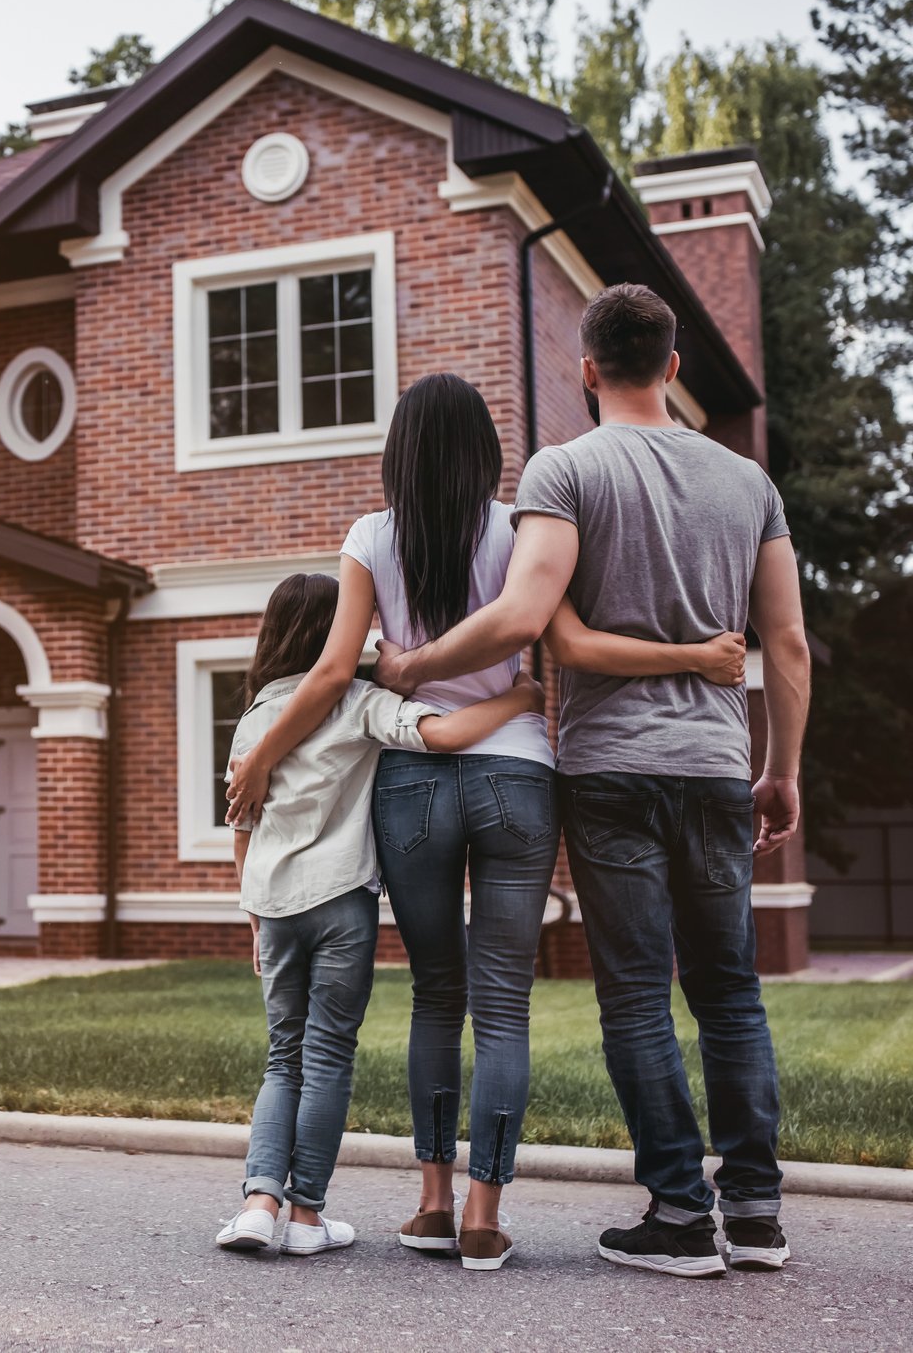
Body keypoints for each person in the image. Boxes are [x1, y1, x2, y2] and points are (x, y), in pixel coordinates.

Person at [224, 372, 748, 1273]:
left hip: (413, 784)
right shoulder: (522, 528)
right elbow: (559, 637)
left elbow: (331, 674)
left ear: (397, 451)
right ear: (486, 452)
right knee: (503, 1003)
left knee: (436, 993)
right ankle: (481, 1215)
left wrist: (265, 752)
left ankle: (430, 1204)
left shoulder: (369, 537)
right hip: (515, 774)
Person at [366, 285, 812, 1279]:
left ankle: (679, 1215)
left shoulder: (565, 468)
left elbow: (527, 618)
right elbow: (784, 641)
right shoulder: (748, 482)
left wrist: (412, 666)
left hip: (610, 768)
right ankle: (755, 1214)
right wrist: (779, 768)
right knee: (730, 993)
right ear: (673, 365)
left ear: (585, 369)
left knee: (638, 998)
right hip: (714, 767)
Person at [213, 571, 544, 1258]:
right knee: (327, 1056)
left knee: (283, 1057)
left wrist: (254, 919)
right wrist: (519, 697)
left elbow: (241, 827)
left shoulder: (253, 719)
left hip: (273, 907)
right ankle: (306, 1217)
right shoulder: (360, 703)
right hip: (341, 904)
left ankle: (256, 1204)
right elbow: (444, 735)